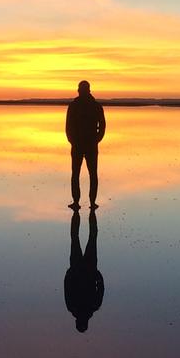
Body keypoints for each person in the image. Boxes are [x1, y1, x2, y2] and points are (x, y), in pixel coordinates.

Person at [66, 80, 106, 210]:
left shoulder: (95, 106)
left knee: (91, 174)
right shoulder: (74, 106)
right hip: (79, 144)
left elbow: (102, 125)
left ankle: (91, 202)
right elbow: (68, 127)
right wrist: (72, 140)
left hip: (89, 144)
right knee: (77, 174)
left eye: (80, 89)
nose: (78, 91)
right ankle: (77, 202)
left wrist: (97, 139)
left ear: (84, 90)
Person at [64, 211, 103, 333]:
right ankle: (88, 212)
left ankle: (82, 212)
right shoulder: (91, 306)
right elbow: (101, 288)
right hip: (87, 269)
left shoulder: (89, 306)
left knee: (85, 237)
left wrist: (69, 274)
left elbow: (67, 288)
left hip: (80, 269)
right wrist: (98, 275)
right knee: (81, 237)